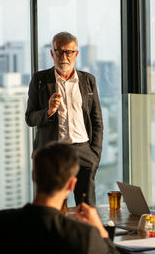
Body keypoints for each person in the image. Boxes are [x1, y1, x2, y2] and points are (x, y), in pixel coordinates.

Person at [0, 142, 118, 254]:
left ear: (33, 175)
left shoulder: (4, 222)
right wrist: (100, 231)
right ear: (71, 184)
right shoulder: (84, 236)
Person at [25, 31, 103, 205]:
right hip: (52, 152)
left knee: (86, 207)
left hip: (84, 152)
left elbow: (97, 120)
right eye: (59, 51)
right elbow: (30, 118)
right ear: (52, 53)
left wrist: (95, 155)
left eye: (69, 52)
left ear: (76, 54)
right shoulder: (39, 80)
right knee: (54, 207)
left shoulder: (88, 80)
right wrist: (49, 111)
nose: (64, 57)